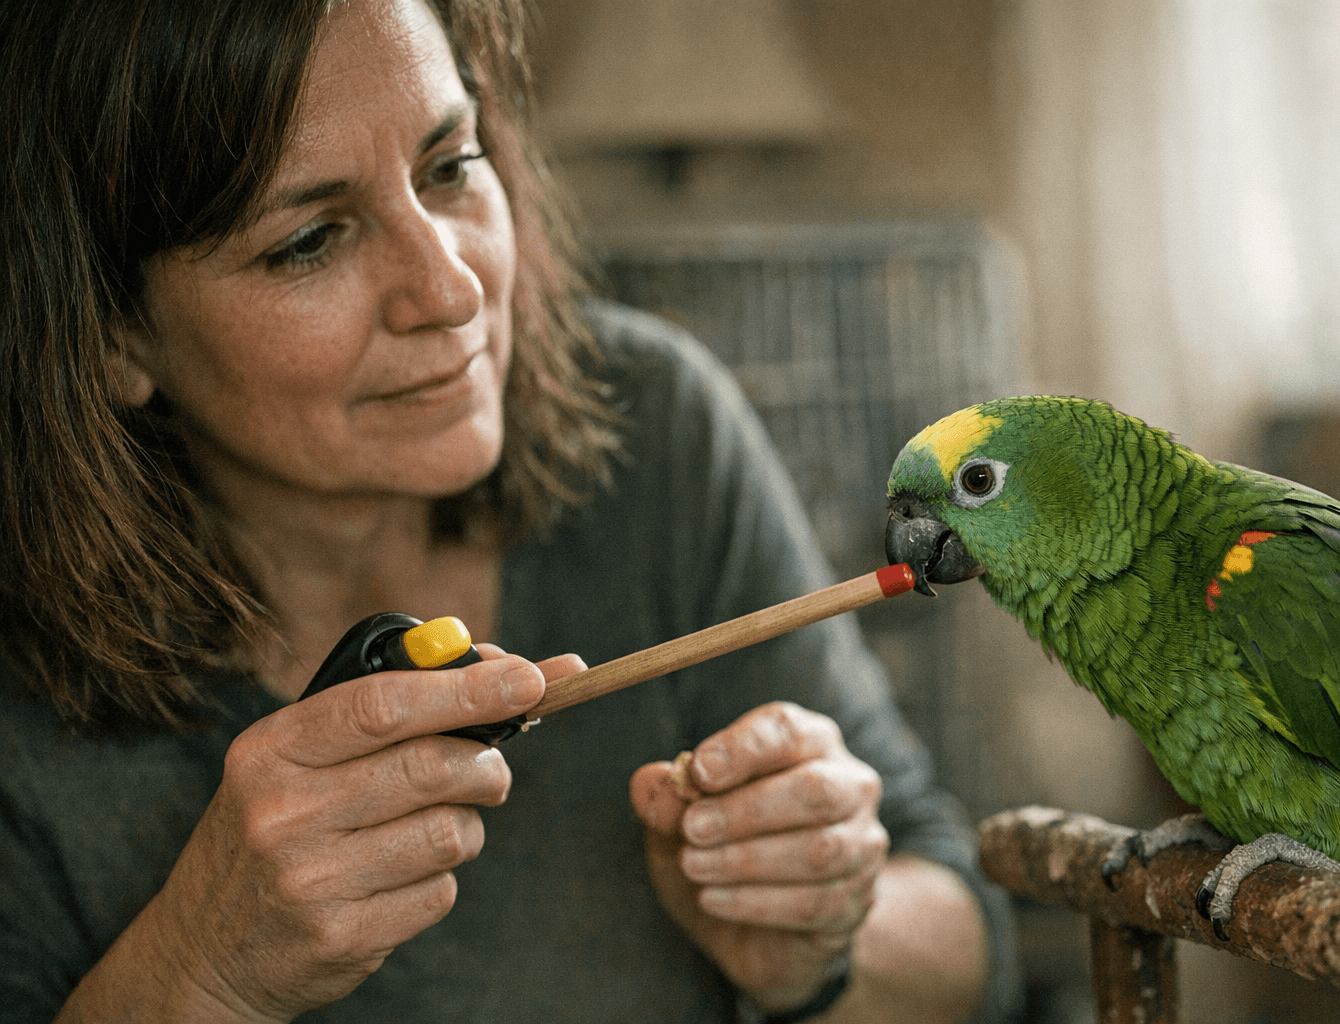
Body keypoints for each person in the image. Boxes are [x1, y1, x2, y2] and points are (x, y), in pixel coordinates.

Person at [0, 1, 1018, 1021]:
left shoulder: (648, 423)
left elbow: (969, 953)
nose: (450, 289)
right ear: (111, 333)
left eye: (449, 167)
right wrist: (200, 974)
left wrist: (820, 951)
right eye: (308, 241)